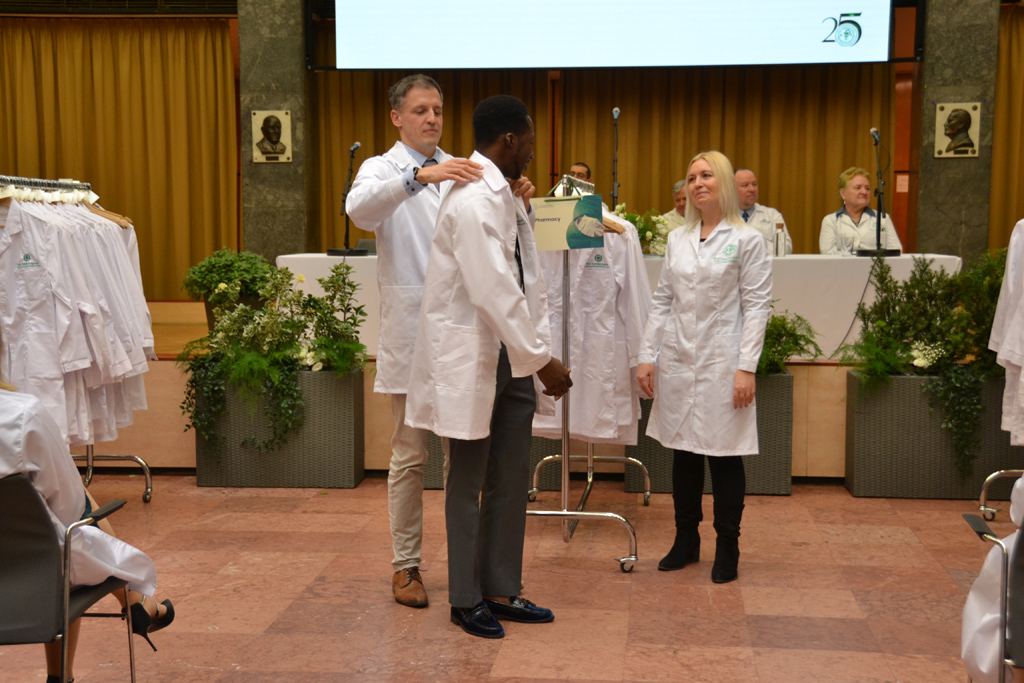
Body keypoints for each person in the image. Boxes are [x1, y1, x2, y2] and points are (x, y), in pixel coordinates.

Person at [405, 95, 572, 639]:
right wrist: (542, 360)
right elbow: (492, 288)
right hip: (479, 354)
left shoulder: (500, 192)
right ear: (510, 140)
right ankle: (465, 598)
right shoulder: (475, 199)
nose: (533, 151)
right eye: (530, 141)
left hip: (509, 354)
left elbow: (523, 273)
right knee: (469, 479)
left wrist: (530, 356)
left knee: (510, 476)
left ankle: (500, 587)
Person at [346, 74, 484, 608]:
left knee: (461, 455)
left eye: (438, 110)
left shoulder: (462, 169)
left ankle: (466, 564)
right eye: (421, 110)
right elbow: (360, 211)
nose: (432, 119)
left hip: (460, 332)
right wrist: (418, 178)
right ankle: (405, 566)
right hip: (411, 331)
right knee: (408, 454)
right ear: (397, 117)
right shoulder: (381, 169)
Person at [0, 325, 173, 683]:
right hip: (28, 575)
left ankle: (137, 604)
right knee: (70, 523)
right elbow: (68, 507)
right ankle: (132, 608)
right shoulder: (22, 415)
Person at [637, 150, 772, 584]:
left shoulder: (747, 239)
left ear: (725, 183)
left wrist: (746, 367)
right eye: (692, 177)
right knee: (684, 452)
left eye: (707, 175)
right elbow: (663, 301)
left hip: (723, 362)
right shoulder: (678, 239)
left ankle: (728, 544)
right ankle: (686, 539)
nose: (698, 183)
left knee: (725, 455)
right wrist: (647, 354)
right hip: (679, 360)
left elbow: (757, 306)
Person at [819, 167, 903, 256]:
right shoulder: (831, 221)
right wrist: (855, 260)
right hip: (842, 265)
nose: (864, 192)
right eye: (858, 187)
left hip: (875, 265)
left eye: (867, 188)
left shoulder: (883, 219)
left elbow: (896, 251)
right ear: (843, 193)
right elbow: (827, 253)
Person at [734, 168, 793, 255]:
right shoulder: (721, 216)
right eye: (745, 185)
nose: (752, 189)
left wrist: (755, 243)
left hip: (767, 263)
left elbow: (786, 248)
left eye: (754, 184)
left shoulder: (772, 215)